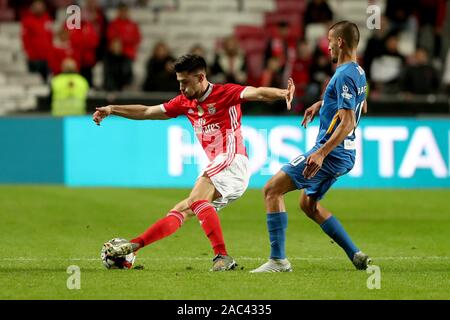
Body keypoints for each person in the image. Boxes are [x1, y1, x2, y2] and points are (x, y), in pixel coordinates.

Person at [93, 54, 295, 271]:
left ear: (200, 77)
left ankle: (222, 256)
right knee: (181, 210)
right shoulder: (184, 102)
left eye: (184, 82)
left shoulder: (225, 93)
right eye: (179, 82)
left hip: (232, 158)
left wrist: (283, 93)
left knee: (197, 198)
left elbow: (257, 92)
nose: (180, 87)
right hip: (221, 166)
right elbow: (147, 111)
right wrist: (112, 109)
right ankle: (136, 246)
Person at [250, 21, 371, 273]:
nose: (327, 47)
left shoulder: (345, 74)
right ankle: (355, 254)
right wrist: (323, 104)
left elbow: (348, 120)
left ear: (340, 42)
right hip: (346, 155)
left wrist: (321, 152)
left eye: (329, 41)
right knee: (308, 205)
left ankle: (278, 261)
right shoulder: (358, 72)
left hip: (331, 153)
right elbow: (361, 106)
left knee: (272, 190)